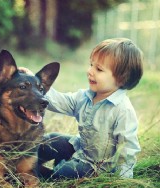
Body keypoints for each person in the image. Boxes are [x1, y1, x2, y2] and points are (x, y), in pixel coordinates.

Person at [34, 38, 143, 180]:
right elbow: (60, 101)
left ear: (121, 78)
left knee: (63, 172)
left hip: (97, 166)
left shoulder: (122, 110)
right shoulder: (85, 96)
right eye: (91, 65)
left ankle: (53, 173)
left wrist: (123, 179)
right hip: (80, 149)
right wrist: (35, 85)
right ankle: (25, 163)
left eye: (99, 69)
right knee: (50, 140)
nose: (90, 71)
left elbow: (127, 147)